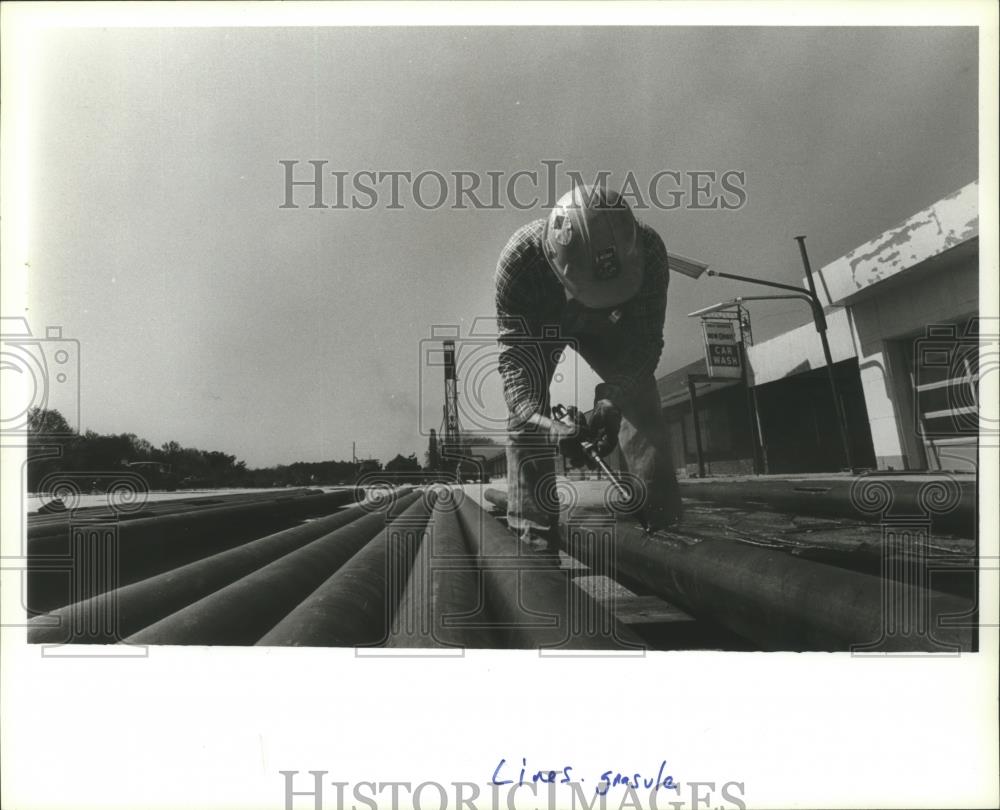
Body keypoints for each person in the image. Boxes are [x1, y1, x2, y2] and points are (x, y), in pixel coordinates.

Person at [494, 184, 682, 556]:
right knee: (525, 425)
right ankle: (536, 548)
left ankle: (663, 539)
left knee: (641, 400)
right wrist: (548, 425)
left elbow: (644, 347)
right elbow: (517, 370)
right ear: (554, 260)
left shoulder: (650, 254)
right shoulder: (519, 264)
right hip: (541, 324)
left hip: (611, 325)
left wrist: (611, 402)